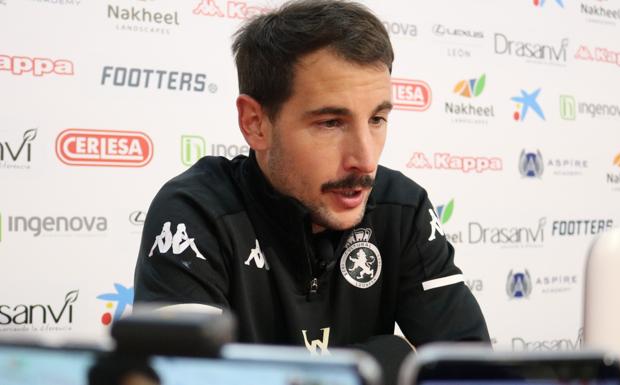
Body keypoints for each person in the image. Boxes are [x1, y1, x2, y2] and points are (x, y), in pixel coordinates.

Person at [134, 0, 489, 377]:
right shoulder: (195, 212)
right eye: (331, 123)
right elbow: (185, 378)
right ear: (255, 123)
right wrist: (389, 357)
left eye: (377, 119)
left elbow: (471, 370)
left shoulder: (401, 206)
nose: (365, 160)